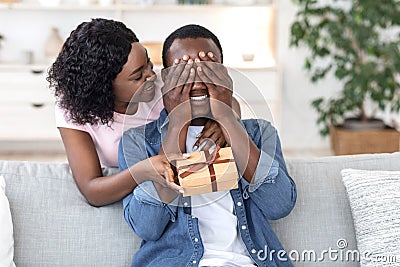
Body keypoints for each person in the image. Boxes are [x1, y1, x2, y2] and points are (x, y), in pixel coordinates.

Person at [119, 24, 297, 267]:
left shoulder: (259, 133)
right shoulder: (137, 142)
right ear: (167, 80)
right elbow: (148, 226)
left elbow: (279, 204)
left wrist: (225, 117)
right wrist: (178, 121)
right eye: (183, 72)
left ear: (224, 75)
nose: (197, 82)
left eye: (207, 70)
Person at [47, 18, 239, 206]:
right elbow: (93, 191)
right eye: (138, 75)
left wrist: (222, 120)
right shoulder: (72, 110)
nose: (151, 75)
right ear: (104, 87)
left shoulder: (164, 87)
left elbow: (232, 102)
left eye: (148, 63)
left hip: (179, 182)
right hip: (127, 188)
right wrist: (142, 171)